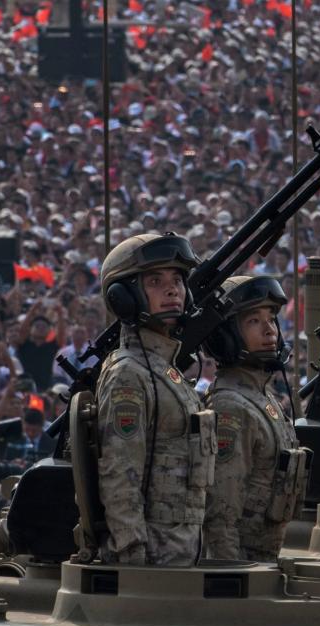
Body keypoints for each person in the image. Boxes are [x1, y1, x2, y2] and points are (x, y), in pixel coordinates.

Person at [94, 232, 215, 566]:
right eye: (155, 281)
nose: (173, 289)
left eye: (177, 279)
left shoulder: (167, 371)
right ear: (125, 298)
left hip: (180, 552)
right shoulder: (128, 374)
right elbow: (120, 474)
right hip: (153, 561)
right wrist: (132, 556)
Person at [202, 275, 309, 561]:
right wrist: (231, 579)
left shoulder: (262, 397)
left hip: (265, 558)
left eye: (271, 319)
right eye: (253, 321)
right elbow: (220, 515)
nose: (269, 330)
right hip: (244, 565)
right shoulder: (230, 407)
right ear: (226, 336)